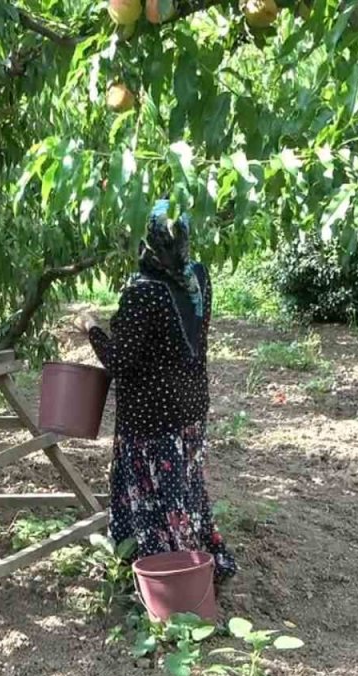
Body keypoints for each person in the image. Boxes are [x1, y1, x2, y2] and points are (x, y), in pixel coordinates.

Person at [76, 198, 237, 587]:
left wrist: (91, 328)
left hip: (152, 419)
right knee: (184, 489)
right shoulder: (197, 275)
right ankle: (201, 561)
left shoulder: (144, 291)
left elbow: (120, 360)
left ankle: (173, 578)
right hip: (190, 408)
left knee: (158, 500)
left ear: (147, 241)